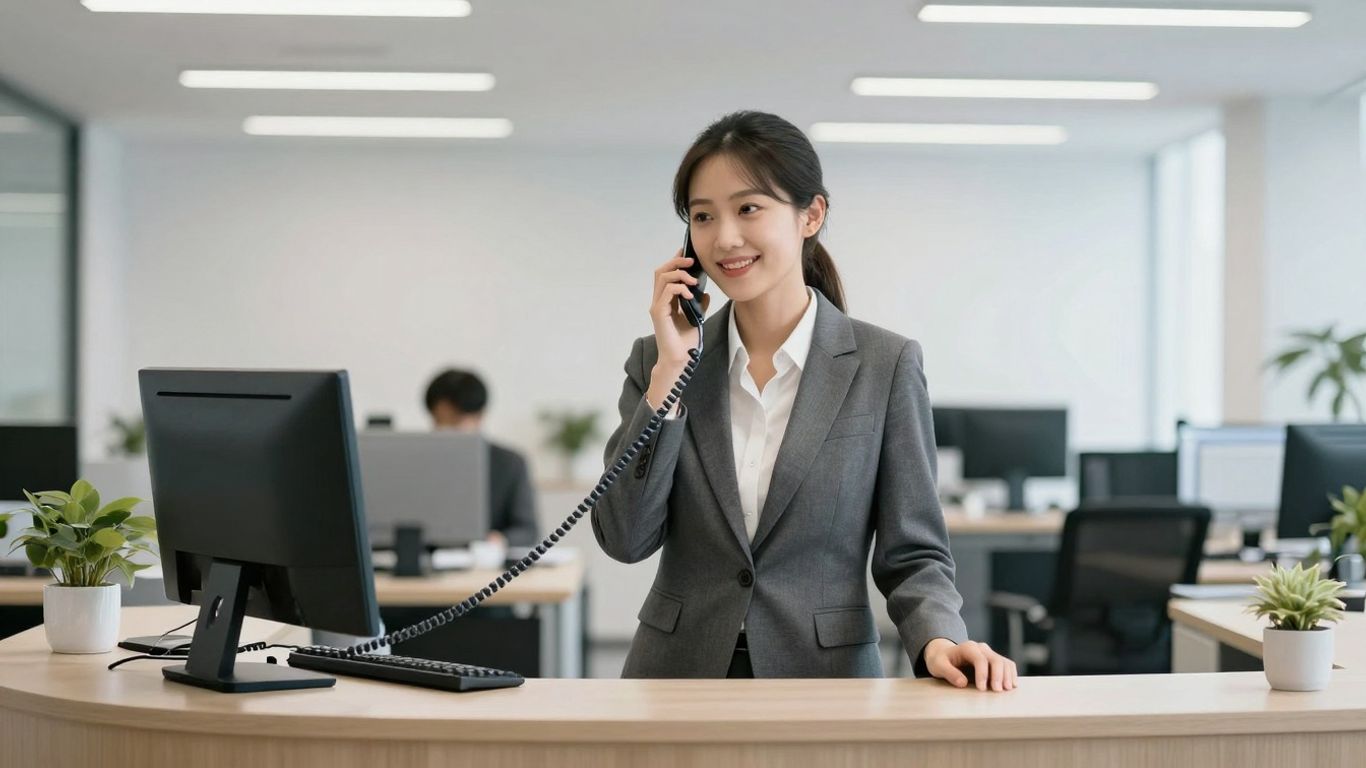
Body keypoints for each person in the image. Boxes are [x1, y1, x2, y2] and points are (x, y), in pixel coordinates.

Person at [591, 111, 1016, 690]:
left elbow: (914, 551)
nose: (724, 238)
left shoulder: (884, 365)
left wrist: (940, 637)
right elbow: (623, 537)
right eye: (702, 216)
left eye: (748, 208)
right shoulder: (658, 362)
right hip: (676, 678)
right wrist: (670, 374)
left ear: (810, 215)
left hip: (825, 679)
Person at [424, 368, 538, 548]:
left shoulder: (510, 463)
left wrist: (499, 540)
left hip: (487, 566)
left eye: (456, 420)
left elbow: (528, 531)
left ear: (479, 416)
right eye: (440, 420)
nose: (447, 429)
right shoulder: (418, 461)